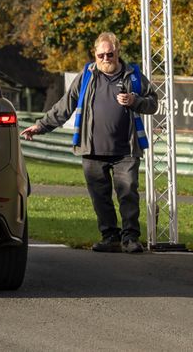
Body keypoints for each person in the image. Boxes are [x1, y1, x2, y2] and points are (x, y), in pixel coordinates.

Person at [21, 32, 159, 253]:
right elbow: (64, 106)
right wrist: (41, 126)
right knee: (100, 197)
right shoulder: (86, 75)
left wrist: (135, 101)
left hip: (126, 150)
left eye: (110, 54)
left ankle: (131, 238)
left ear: (118, 52)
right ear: (95, 54)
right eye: (101, 55)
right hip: (92, 150)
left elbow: (153, 104)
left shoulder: (134, 75)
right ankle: (110, 237)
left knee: (128, 193)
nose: (105, 59)